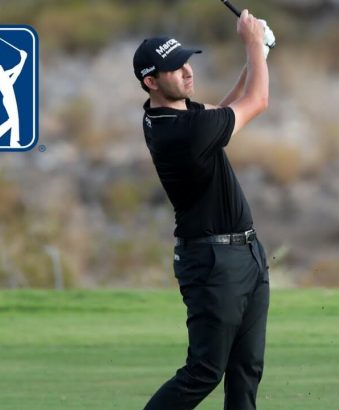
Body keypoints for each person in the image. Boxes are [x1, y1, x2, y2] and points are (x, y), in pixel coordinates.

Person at [133, 10, 272, 410]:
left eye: (186, 61)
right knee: (205, 371)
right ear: (151, 81)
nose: (187, 71)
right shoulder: (182, 131)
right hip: (213, 262)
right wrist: (252, 44)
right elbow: (257, 101)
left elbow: (224, 112)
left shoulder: (172, 114)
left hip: (245, 254)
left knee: (246, 370)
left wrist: (258, 54)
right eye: (174, 68)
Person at [0, 49, 27, 147]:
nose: (2, 68)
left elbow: (16, 73)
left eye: (1, 68)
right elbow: (14, 70)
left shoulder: (4, 78)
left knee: (14, 120)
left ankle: (13, 142)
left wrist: (23, 60)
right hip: (8, 99)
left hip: (11, 98)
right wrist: (23, 59)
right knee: (13, 120)